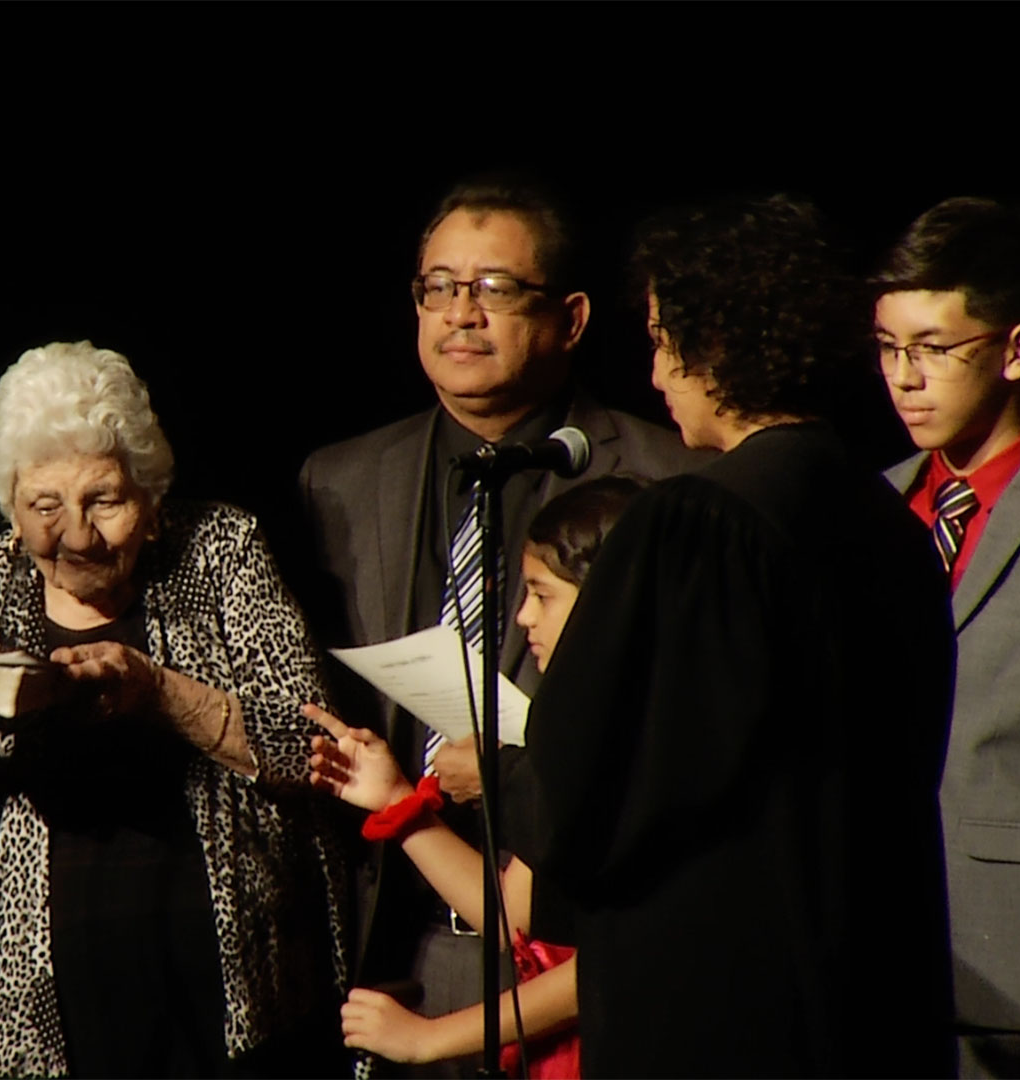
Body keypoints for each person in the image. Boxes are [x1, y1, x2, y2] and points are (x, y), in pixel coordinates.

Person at [509, 194, 958, 1076]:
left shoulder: (695, 525)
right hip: (871, 992)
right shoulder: (890, 520)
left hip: (719, 999)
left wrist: (511, 771)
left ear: (711, 342)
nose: (656, 375)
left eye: (659, 340)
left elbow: (594, 782)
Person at [295, 176, 703, 1072]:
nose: (461, 315)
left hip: (576, 956)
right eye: (438, 287)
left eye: (494, 290)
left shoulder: (670, 481)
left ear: (572, 317)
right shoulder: (339, 479)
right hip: (389, 950)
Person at [0, 341, 349, 1077]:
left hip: (228, 1001)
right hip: (33, 1023)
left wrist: (157, 689)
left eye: (103, 500)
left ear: (150, 496)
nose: (76, 534)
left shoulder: (221, 551)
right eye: (44, 505)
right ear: (11, 508)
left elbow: (315, 752)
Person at [872, 197, 1020, 1078]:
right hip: (876, 964)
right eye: (889, 349)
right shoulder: (871, 506)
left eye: (934, 348)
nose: (905, 376)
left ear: (1016, 350)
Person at [307, 477, 644, 1078]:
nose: (522, 616)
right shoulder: (578, 728)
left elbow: (608, 961)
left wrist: (430, 1039)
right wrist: (398, 801)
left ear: (607, 599)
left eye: (542, 595)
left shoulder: (652, 740)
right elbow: (516, 914)